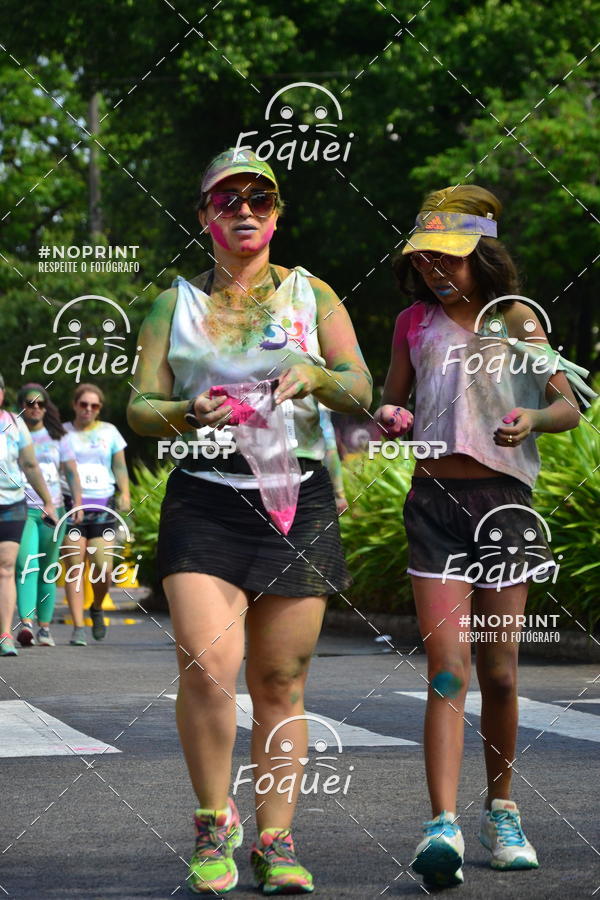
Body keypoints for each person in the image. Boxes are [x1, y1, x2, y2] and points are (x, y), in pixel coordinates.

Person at [127, 148, 372, 895]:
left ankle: (274, 838)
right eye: (227, 198)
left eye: (259, 199)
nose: (244, 210)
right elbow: (139, 406)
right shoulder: (174, 303)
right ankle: (212, 824)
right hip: (205, 497)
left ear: (276, 214)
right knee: (207, 666)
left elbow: (361, 388)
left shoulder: (313, 294)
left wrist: (318, 375)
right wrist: (182, 411)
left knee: (280, 680)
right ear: (204, 214)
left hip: (298, 500)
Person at [375, 185, 584, 888]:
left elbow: (569, 405)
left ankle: (501, 810)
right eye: (428, 259)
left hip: (505, 504)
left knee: (499, 670)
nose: (438, 271)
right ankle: (441, 825)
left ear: (482, 257)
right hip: (432, 501)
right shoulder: (412, 322)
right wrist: (389, 417)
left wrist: (532, 420)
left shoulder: (516, 319)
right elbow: (392, 397)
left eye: (452, 260)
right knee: (446, 666)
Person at [15, 384, 83, 648]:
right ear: (21, 406)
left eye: (40, 403)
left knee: (47, 571)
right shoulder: (12, 434)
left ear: (46, 407)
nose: (35, 408)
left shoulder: (58, 436)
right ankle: (27, 625)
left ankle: (44, 627)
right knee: (26, 565)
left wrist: (77, 502)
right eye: (30, 403)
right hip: (22, 509)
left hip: (54, 511)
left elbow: (71, 472)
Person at [62, 383, 130, 646]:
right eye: (83, 404)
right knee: (74, 568)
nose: (88, 409)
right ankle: (78, 627)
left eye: (94, 405)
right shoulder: (62, 433)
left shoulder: (109, 431)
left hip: (103, 505)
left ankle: (97, 607)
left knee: (104, 567)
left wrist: (124, 492)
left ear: (99, 408)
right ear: (75, 405)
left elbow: (120, 467)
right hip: (71, 506)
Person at [0, 374, 58, 657]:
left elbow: (30, 464)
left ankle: (5, 636)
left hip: (12, 503)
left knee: (7, 568)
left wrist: (47, 500)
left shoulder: (15, 423)